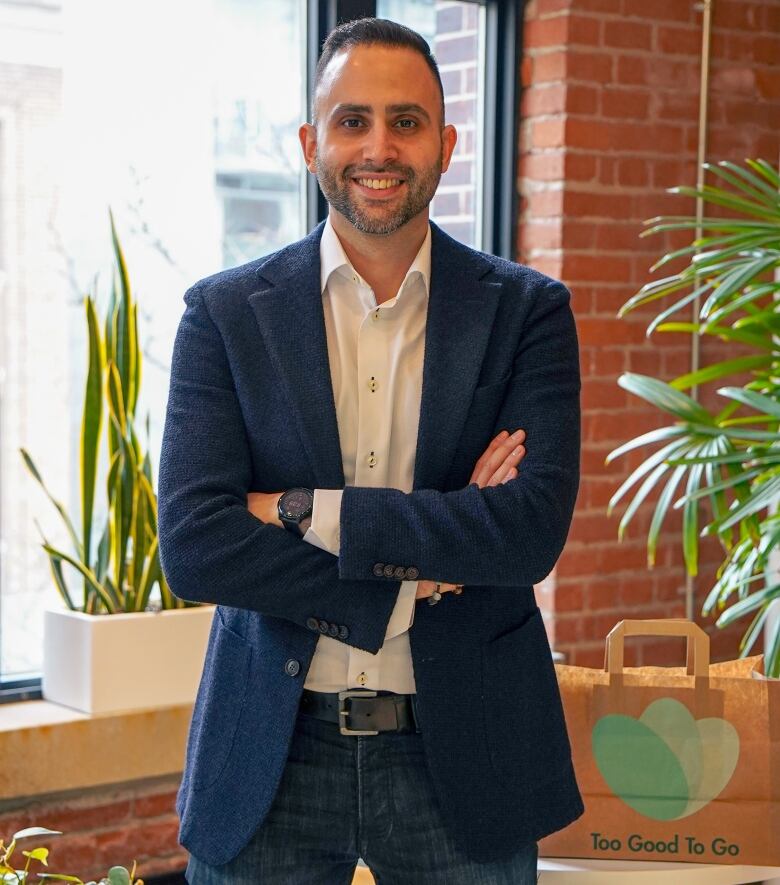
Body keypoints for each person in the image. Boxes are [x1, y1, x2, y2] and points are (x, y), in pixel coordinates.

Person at [158, 17, 583, 885]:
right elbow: (196, 545)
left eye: (405, 121)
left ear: (447, 143)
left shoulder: (529, 313)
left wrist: (300, 510)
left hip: (467, 752)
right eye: (352, 121)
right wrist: (418, 562)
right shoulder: (226, 315)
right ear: (313, 141)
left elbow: (527, 533)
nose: (378, 147)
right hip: (270, 753)